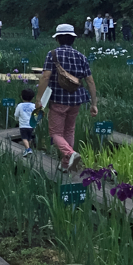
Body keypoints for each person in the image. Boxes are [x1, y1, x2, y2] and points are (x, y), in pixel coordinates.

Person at [34, 23, 98, 172]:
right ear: (72, 39)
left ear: (58, 39)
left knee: (55, 133)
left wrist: (39, 99)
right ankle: (65, 164)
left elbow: (45, 77)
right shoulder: (81, 56)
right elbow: (90, 81)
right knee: (69, 130)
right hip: (76, 100)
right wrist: (93, 103)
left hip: (58, 99)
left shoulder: (53, 54)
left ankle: (70, 154)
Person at [14, 88, 36, 157]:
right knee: (29, 138)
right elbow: (36, 115)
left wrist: (16, 119)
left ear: (21, 97)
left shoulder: (20, 105)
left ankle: (28, 149)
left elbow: (16, 114)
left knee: (24, 138)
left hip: (23, 125)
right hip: (31, 125)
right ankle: (27, 149)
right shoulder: (34, 106)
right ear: (32, 97)